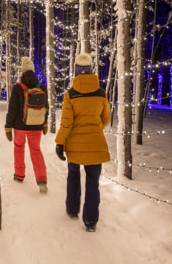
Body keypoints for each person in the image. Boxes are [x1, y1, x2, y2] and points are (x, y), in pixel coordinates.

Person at [55, 53, 110, 231]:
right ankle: (91, 222)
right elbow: (105, 118)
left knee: (73, 175)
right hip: (96, 144)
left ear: (76, 70)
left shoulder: (70, 95)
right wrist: (94, 128)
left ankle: (72, 209)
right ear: (91, 69)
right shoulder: (101, 93)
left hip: (75, 146)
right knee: (93, 182)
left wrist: (60, 143)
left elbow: (66, 123)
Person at [5, 57, 49, 194]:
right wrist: (45, 122)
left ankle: (19, 176)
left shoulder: (18, 87)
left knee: (19, 148)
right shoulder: (42, 87)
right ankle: (42, 181)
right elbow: (46, 107)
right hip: (36, 126)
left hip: (20, 126)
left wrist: (8, 126)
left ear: (22, 72)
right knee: (36, 150)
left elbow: (12, 109)